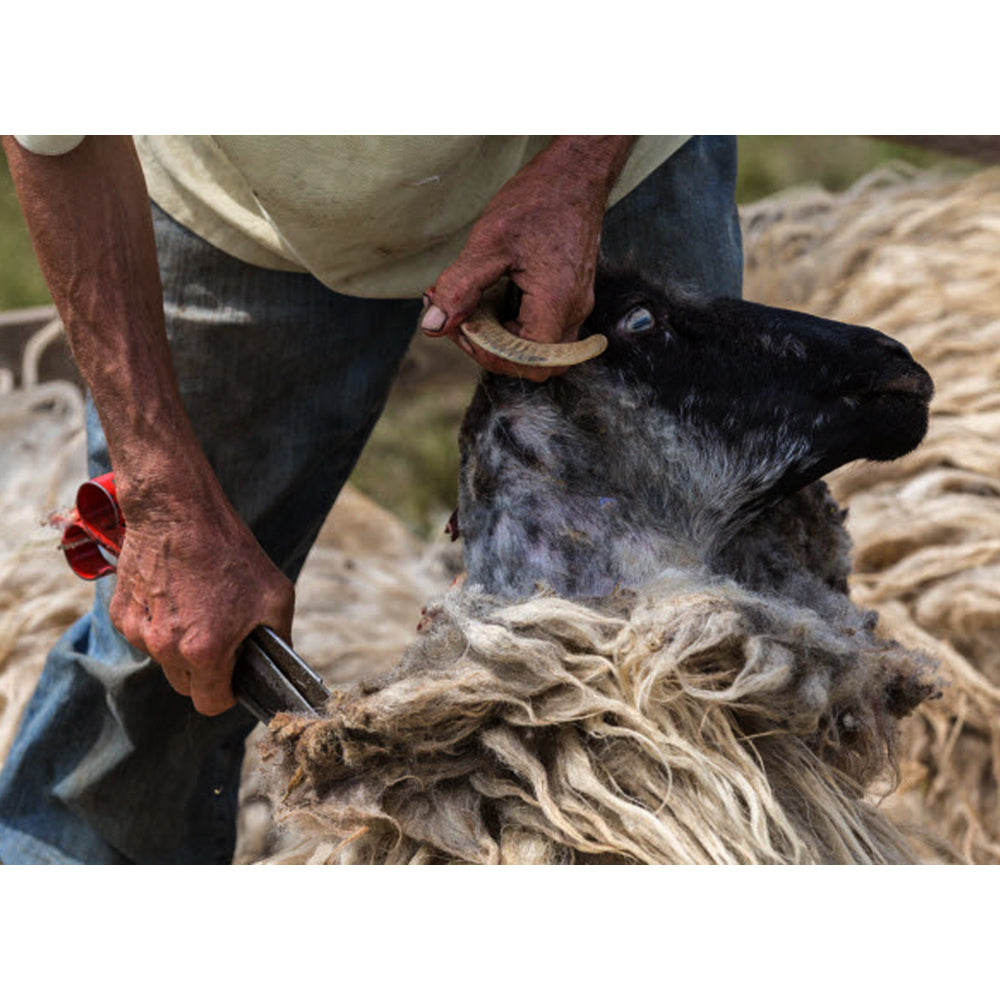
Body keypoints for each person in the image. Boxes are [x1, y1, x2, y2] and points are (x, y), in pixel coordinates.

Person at [0, 135, 744, 863]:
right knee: (173, 652)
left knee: (672, 654)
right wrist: (161, 494)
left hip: (606, 157)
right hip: (243, 201)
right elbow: (57, 140)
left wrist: (581, 169)